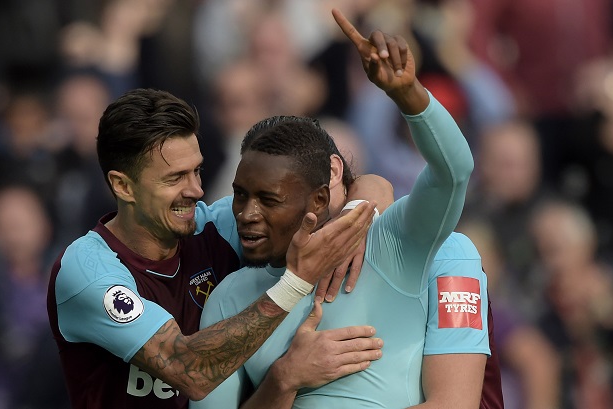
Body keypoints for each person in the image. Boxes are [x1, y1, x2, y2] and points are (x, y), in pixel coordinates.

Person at [191, 9, 486, 408]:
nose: (245, 213)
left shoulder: (397, 245)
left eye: (269, 199)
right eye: (240, 195)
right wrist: (283, 379)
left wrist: (408, 95)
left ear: (321, 193)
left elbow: (453, 173)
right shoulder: (230, 297)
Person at [46, 87, 382, 409]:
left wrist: (362, 209)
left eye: (197, 170)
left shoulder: (217, 226)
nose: (195, 189)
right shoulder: (89, 271)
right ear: (123, 186)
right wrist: (296, 282)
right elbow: (189, 370)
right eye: (174, 178)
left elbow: (354, 190)